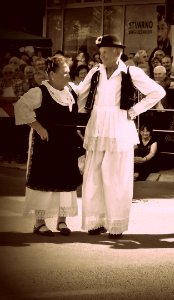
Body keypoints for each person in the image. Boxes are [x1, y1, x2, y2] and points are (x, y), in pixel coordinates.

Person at [76, 34, 165, 239]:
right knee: (94, 174)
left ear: (118, 53)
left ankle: (116, 223)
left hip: (119, 124)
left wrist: (134, 111)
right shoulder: (95, 72)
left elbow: (157, 92)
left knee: (116, 176)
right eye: (101, 53)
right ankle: (96, 221)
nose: (102, 57)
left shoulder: (131, 72)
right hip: (97, 125)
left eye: (106, 53)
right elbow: (81, 95)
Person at [13, 55, 83, 236]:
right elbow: (20, 107)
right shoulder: (40, 92)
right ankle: (39, 222)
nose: (68, 76)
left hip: (66, 143)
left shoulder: (71, 91)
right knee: (44, 179)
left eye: (69, 72)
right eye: (65, 73)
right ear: (52, 74)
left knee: (66, 180)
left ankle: (62, 221)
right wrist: (39, 128)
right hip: (46, 143)